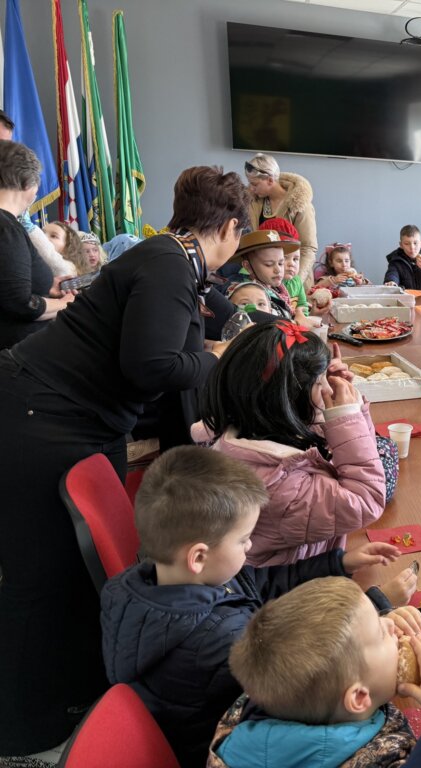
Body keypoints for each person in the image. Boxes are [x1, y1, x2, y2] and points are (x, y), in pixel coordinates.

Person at [0, 165, 248, 756]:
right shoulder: (168, 262)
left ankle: (69, 694)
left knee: (75, 574)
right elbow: (154, 366)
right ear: (233, 228)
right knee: (44, 575)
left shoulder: (173, 257)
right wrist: (218, 355)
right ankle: (23, 728)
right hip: (42, 413)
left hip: (74, 415)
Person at [100, 447, 418, 768]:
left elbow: (265, 582)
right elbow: (309, 677)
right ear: (198, 557)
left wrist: (339, 563)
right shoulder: (219, 641)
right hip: (214, 747)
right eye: (243, 539)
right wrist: (377, 607)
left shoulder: (153, 579)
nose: (251, 547)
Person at [208, 577, 421, 768]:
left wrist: (373, 631)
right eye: (382, 632)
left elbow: (334, 659)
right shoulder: (382, 762)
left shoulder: (267, 696)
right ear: (358, 697)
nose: (392, 625)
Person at [197, 321, 396, 573]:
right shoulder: (279, 483)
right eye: (319, 383)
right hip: (288, 594)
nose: (327, 388)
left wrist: (337, 405)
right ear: (288, 401)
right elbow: (367, 500)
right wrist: (347, 416)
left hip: (310, 565)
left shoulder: (261, 430)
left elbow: (317, 438)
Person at [0, 142, 75, 349]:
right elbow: (21, 304)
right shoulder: (7, 229)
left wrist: (50, 286)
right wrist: (65, 304)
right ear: (27, 184)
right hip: (17, 359)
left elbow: (8, 283)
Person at [245, 152, 318, 280]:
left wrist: (296, 282)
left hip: (293, 281)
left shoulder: (300, 205)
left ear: (270, 180)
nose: (251, 189)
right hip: (266, 280)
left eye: (255, 184)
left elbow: (308, 248)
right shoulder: (254, 204)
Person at [259, 218, 330, 326]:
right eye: (285, 258)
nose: (291, 263)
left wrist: (311, 315)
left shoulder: (296, 281)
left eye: (296, 259)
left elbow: (302, 306)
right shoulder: (262, 287)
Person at [229, 229, 297, 318]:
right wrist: (295, 322)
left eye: (281, 263)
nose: (278, 270)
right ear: (248, 266)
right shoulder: (247, 293)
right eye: (269, 264)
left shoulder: (277, 288)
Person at [383, 224, 421, 290]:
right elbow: (392, 274)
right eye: (407, 244)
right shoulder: (396, 261)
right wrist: (391, 282)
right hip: (406, 298)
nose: (412, 247)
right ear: (401, 245)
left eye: (415, 243)